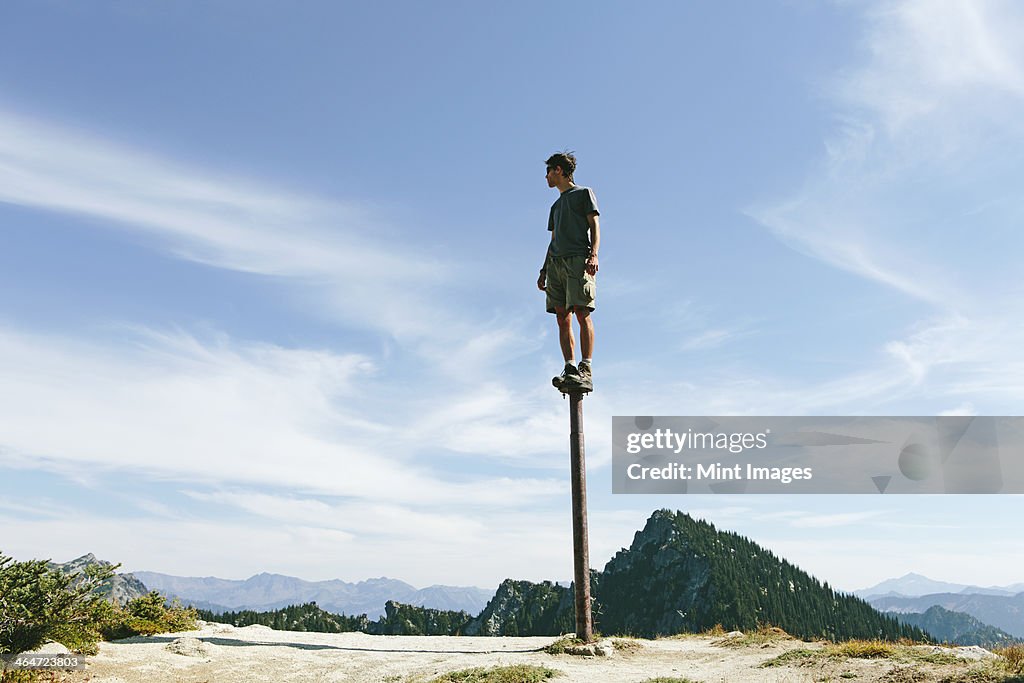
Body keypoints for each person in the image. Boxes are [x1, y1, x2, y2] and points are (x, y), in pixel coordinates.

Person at [537, 151, 600, 392]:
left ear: (559, 170)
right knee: (562, 317)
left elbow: (594, 225)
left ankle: (586, 367)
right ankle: (570, 368)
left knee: (582, 312)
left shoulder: (584, 194)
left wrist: (593, 254)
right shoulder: (555, 206)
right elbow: (553, 241)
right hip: (556, 265)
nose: (546, 178)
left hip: (578, 259)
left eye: (548, 172)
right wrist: (544, 270)